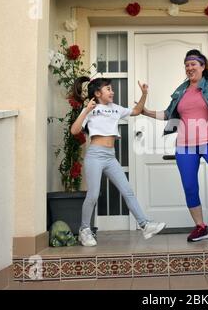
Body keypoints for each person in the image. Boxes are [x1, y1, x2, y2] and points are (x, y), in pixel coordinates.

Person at [142, 49, 208, 242]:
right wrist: (145, 111)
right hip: (185, 146)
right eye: (186, 65)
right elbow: (168, 114)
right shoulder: (181, 91)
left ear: (202, 66)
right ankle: (201, 227)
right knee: (190, 186)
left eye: (193, 64)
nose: (189, 68)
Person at [71, 76, 166, 247]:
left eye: (111, 88)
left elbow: (136, 111)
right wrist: (85, 111)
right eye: (108, 89)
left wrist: (144, 94)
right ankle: (84, 230)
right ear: (98, 93)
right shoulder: (91, 109)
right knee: (93, 194)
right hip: (95, 155)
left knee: (127, 191)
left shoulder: (116, 108)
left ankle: (145, 225)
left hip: (110, 156)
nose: (112, 91)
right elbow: (74, 130)